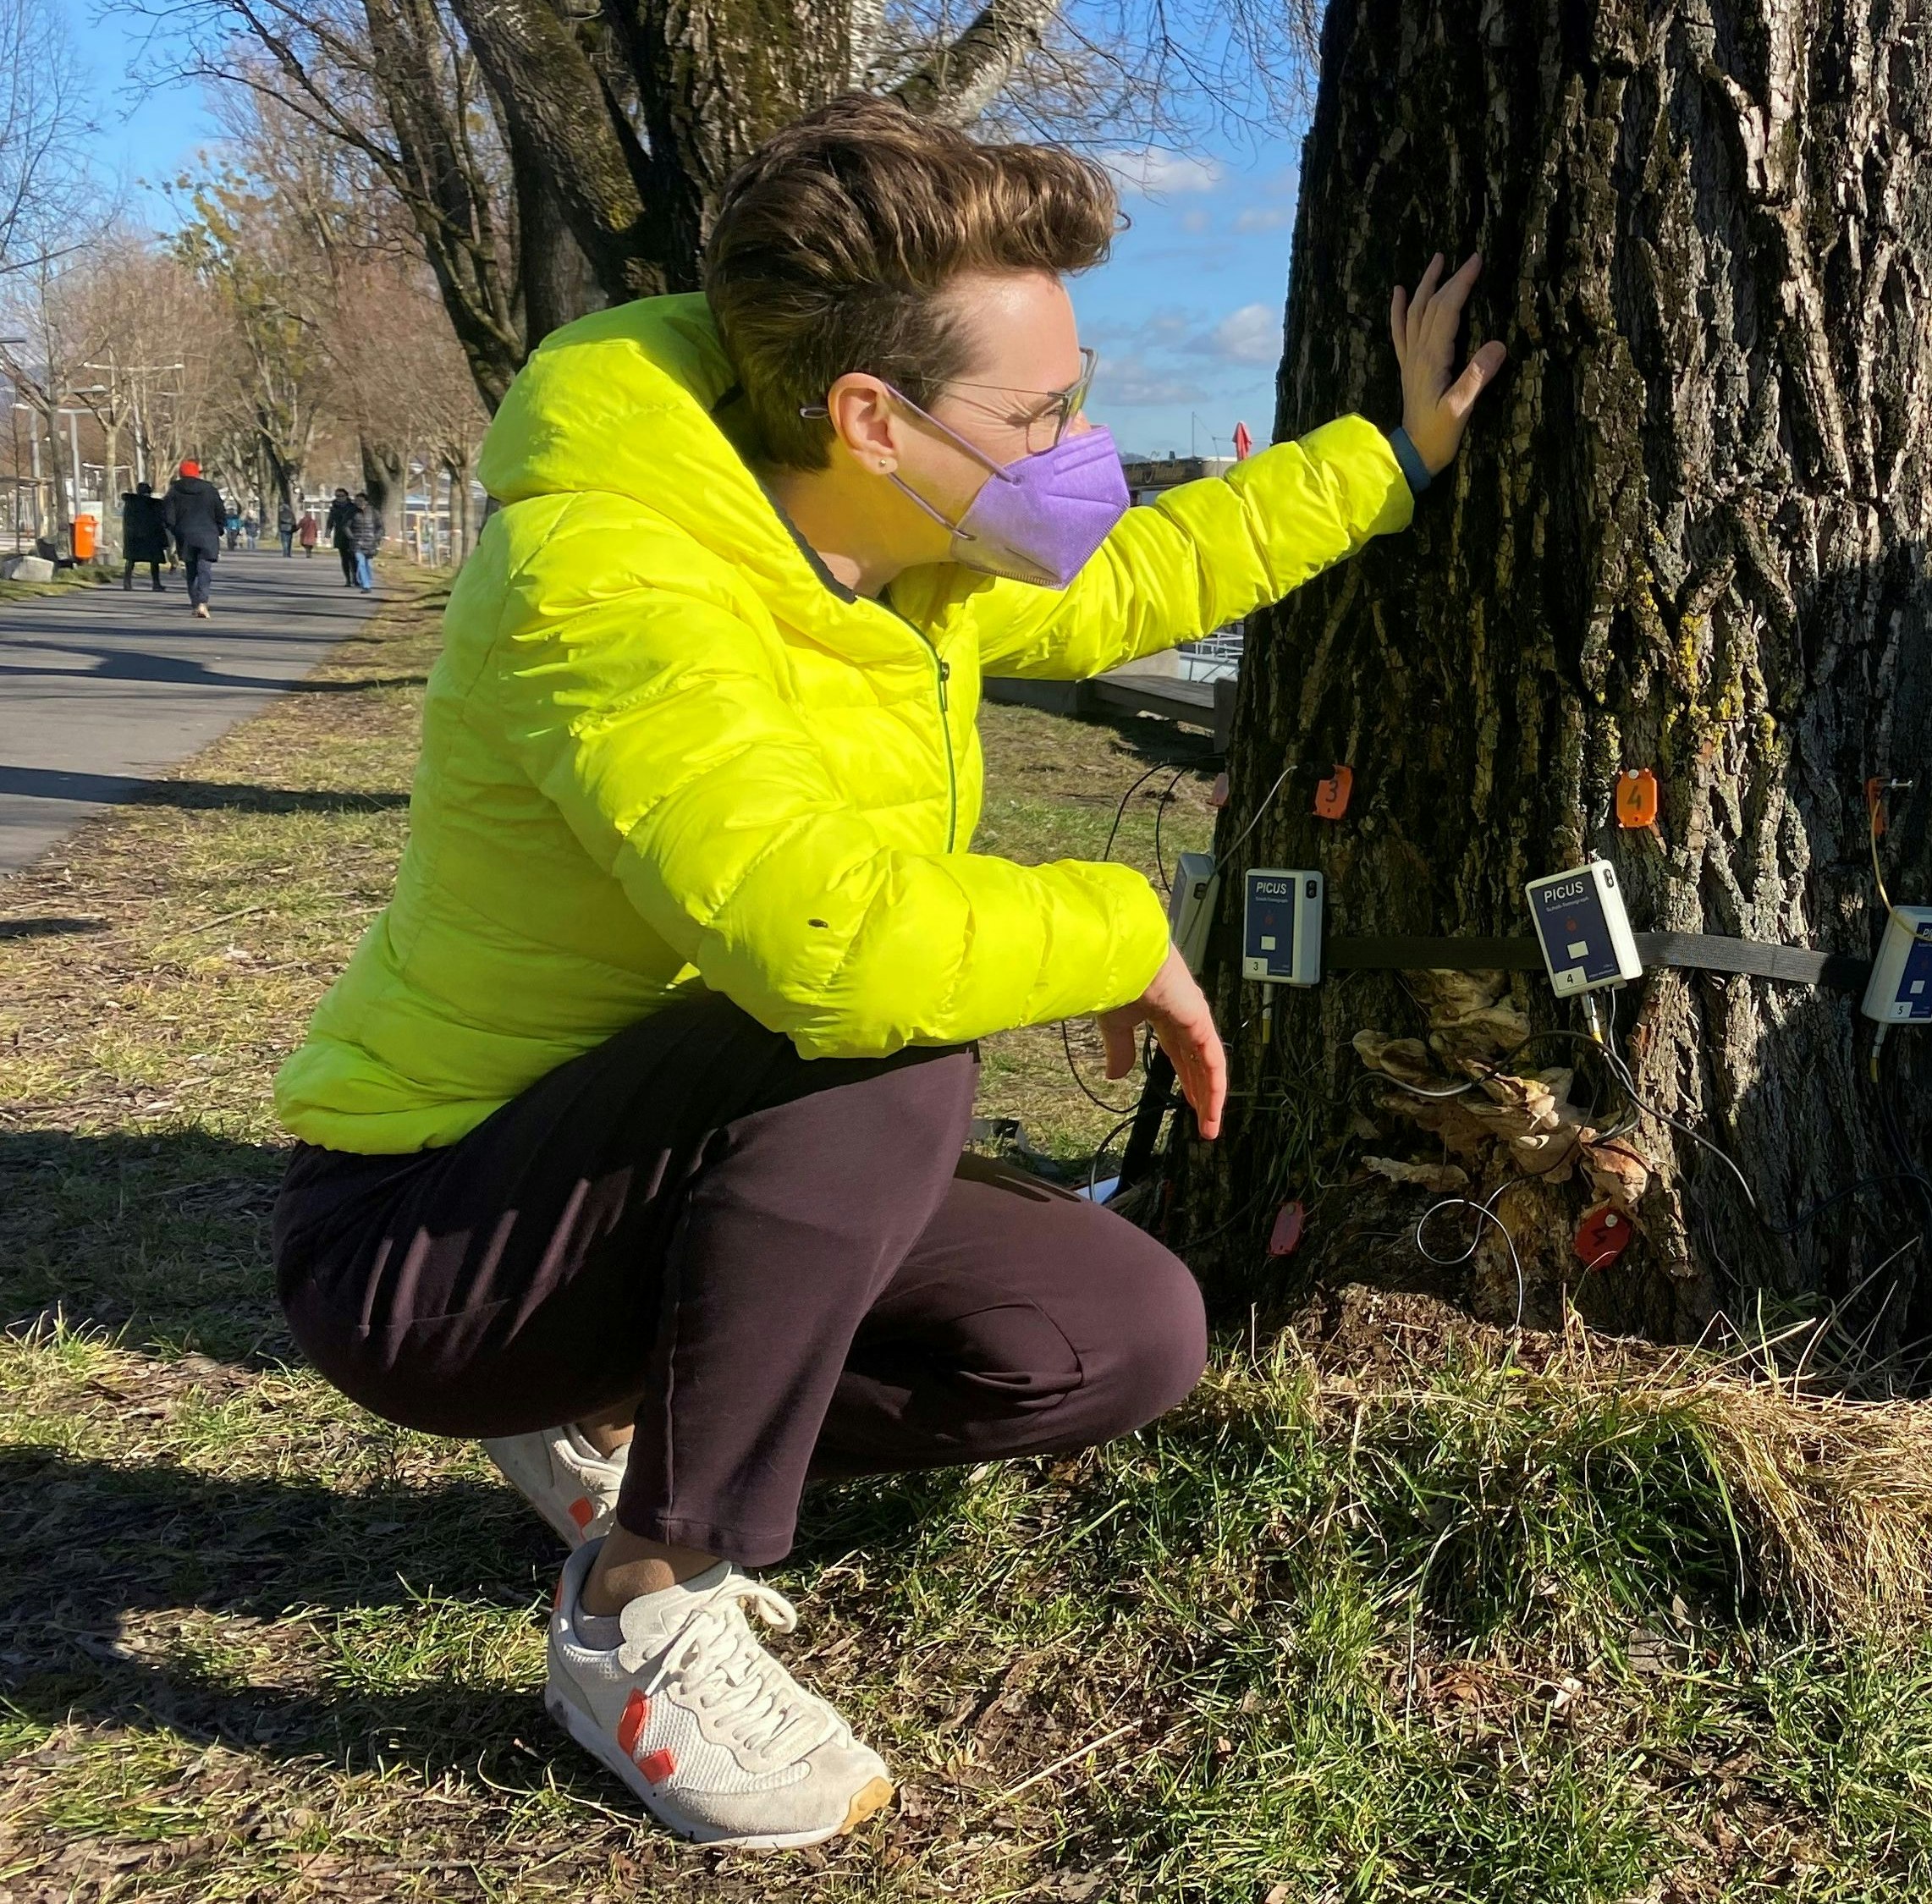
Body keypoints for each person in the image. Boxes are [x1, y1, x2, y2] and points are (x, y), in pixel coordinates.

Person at [267, 95, 1505, 1852]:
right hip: (432, 1233)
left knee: (1116, 1336)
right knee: (891, 1043)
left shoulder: (908, 551)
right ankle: (643, 1606)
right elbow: (831, 952)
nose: (1081, 447)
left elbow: (1143, 566)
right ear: (871, 415)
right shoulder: (606, 576)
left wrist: (1389, 457)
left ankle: (616, 1410)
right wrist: (1119, 927)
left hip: (689, 1147)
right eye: (1044, 412)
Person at [162, 460, 228, 619]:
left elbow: (168, 515)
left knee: (191, 569)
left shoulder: (174, 491)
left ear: (181, 473)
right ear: (197, 473)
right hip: (208, 534)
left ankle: (195, 603)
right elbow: (220, 512)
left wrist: (175, 530)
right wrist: (218, 529)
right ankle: (203, 602)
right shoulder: (210, 490)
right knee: (204, 569)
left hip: (185, 535)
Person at [119, 479, 169, 590]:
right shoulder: (155, 504)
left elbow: (127, 521)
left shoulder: (130, 503)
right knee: (154, 561)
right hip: (151, 537)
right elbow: (160, 521)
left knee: (131, 560)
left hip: (133, 536)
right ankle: (156, 584)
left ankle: (127, 582)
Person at [326, 487, 372, 591]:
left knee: (354, 558)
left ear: (346, 496)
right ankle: (348, 579)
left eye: (341, 496)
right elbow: (330, 520)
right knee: (344, 559)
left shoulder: (353, 507)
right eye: (337, 496)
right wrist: (328, 531)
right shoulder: (334, 508)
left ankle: (356, 578)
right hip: (340, 535)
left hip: (353, 535)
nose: (339, 498)